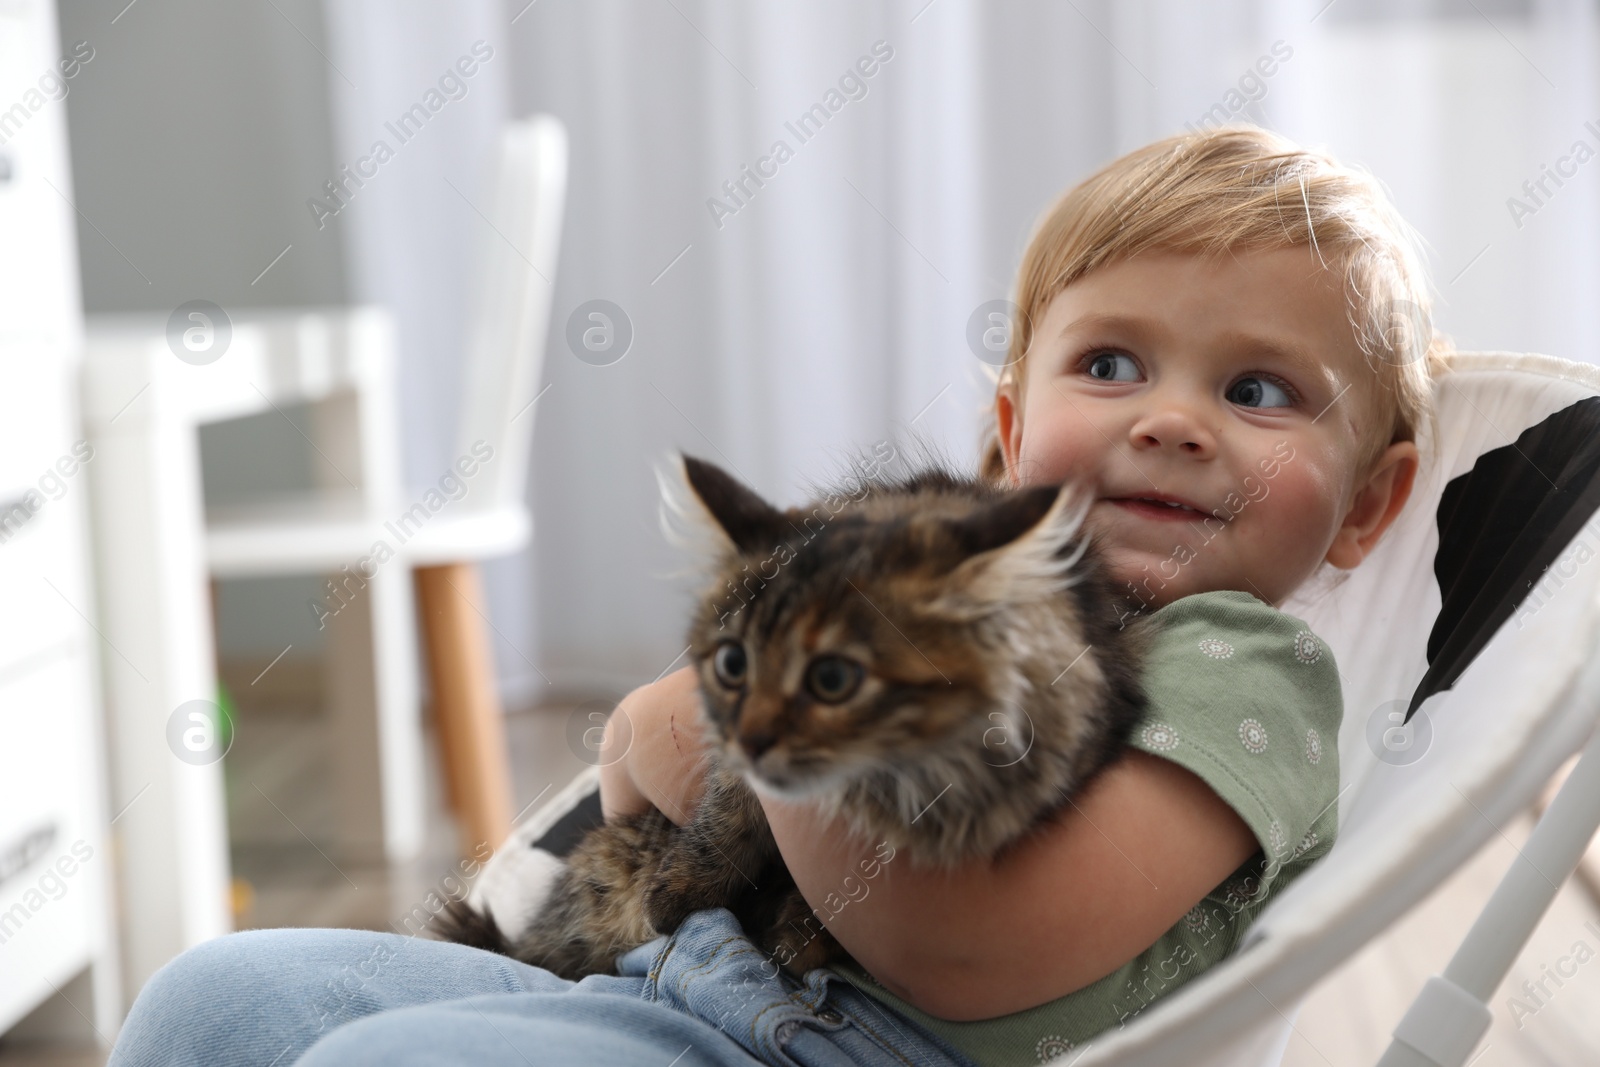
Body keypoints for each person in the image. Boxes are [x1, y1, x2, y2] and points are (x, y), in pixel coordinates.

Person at [107, 123, 1447, 1067]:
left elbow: (979, 961)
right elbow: (648, 776)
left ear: (1371, 505)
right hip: (681, 977)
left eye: (1255, 392)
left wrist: (758, 757)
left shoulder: (1240, 667)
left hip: (851, 1049)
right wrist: (694, 737)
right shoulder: (902, 571)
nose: (1170, 420)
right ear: (1004, 432)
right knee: (215, 999)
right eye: (1108, 364)